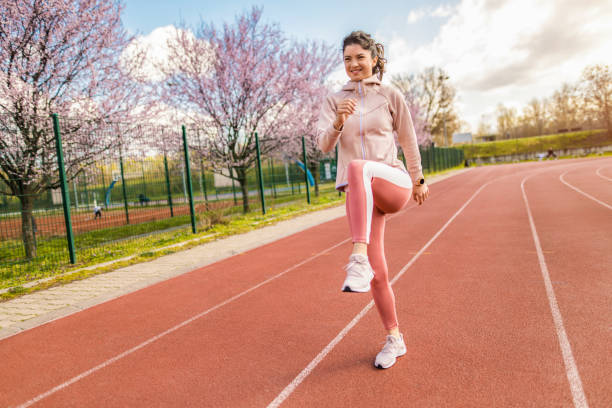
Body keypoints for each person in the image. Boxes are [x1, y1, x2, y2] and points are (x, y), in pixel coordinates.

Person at [317, 31, 429, 369]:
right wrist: (338, 121)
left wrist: (419, 179)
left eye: (360, 58)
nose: (353, 64)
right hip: (362, 195)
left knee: (359, 166)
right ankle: (395, 338)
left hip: (392, 182)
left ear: (374, 59)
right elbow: (323, 146)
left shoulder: (391, 95)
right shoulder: (334, 100)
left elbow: (409, 140)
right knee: (379, 275)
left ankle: (357, 256)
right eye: (347, 59)